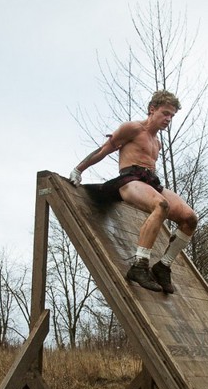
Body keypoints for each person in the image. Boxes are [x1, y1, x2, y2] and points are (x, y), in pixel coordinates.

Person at [67, 90, 197, 294]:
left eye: (172, 116)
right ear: (152, 110)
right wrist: (78, 169)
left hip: (149, 182)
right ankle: (139, 265)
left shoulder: (157, 143)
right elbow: (104, 149)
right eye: (165, 113)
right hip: (129, 180)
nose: (168, 119)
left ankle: (163, 266)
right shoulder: (133, 129)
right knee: (160, 205)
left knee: (190, 218)